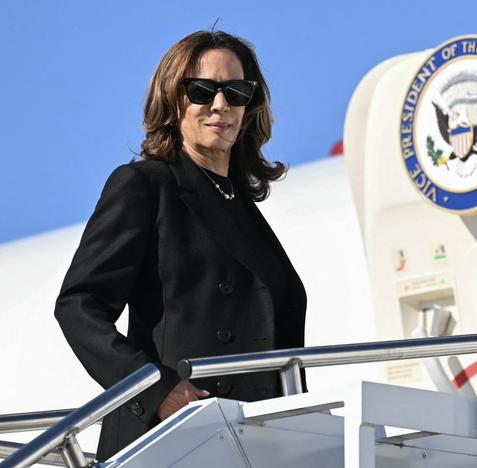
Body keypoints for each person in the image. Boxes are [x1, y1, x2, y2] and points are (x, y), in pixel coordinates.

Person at [54, 30, 307, 461]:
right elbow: (79, 306)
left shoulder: (239, 204)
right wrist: (158, 390)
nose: (221, 105)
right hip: (171, 436)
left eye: (237, 91)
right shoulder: (145, 185)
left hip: (258, 442)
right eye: (203, 90)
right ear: (173, 99)